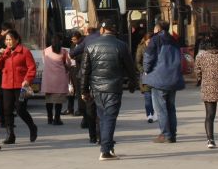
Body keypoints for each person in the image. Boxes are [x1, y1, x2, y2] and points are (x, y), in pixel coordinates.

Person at [79, 19, 137, 160]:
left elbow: (84, 71)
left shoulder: (90, 46)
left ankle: (109, 148)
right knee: (110, 118)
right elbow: (130, 68)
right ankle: (105, 150)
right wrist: (132, 83)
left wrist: (83, 91)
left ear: (102, 30)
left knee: (104, 118)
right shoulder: (121, 46)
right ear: (114, 31)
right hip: (113, 88)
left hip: (96, 89)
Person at [0, 29, 38, 144]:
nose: (8, 42)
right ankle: (10, 134)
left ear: (16, 40)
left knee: (20, 109)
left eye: (10, 39)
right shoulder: (4, 52)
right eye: (6, 40)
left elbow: (31, 68)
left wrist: (27, 80)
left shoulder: (25, 52)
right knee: (7, 110)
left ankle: (32, 127)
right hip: (6, 85)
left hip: (21, 86)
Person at [142, 20, 185, 144]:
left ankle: (165, 134)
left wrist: (146, 70)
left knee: (161, 108)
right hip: (173, 78)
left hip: (159, 78)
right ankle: (173, 133)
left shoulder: (156, 40)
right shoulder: (174, 40)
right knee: (171, 107)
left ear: (158, 29)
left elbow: (148, 57)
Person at [41, 33, 72, 125]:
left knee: (49, 100)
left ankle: (49, 118)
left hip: (48, 79)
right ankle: (57, 119)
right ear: (61, 41)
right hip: (60, 79)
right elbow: (68, 64)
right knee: (58, 101)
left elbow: (44, 62)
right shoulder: (64, 51)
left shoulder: (45, 51)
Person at [134, 31, 155, 123]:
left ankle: (154, 113)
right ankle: (149, 115)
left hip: (155, 74)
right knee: (148, 96)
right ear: (145, 40)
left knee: (154, 97)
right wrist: (143, 71)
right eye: (148, 42)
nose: (149, 43)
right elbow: (137, 62)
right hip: (145, 75)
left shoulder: (156, 47)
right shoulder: (141, 48)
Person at [65, 31, 84, 117]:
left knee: (79, 90)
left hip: (79, 68)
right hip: (71, 68)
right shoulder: (73, 45)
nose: (73, 41)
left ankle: (80, 109)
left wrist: (75, 57)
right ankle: (70, 108)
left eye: (75, 39)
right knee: (70, 90)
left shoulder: (83, 45)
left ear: (80, 38)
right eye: (72, 40)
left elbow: (84, 56)